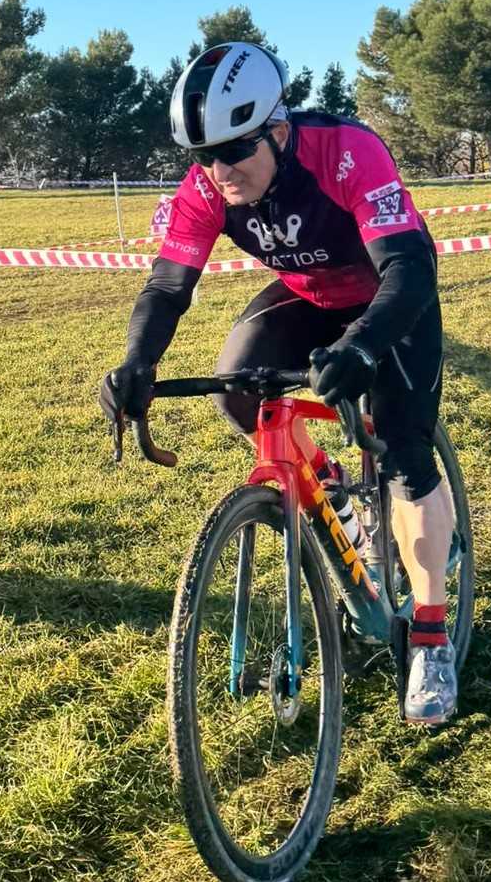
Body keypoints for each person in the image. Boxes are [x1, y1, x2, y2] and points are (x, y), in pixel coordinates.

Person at [100, 42, 458, 725]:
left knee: (405, 449)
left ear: (278, 130)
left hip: (389, 296)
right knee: (236, 388)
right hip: (310, 297)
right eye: (203, 155)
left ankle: (432, 636)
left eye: (234, 149)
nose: (219, 169)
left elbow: (408, 270)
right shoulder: (206, 186)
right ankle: (342, 507)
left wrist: (361, 346)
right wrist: (137, 361)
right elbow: (169, 285)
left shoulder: (348, 153)